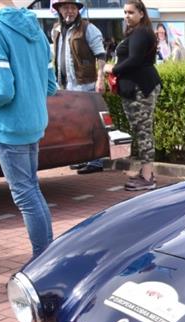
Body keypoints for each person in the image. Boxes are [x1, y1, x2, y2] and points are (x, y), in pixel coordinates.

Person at [0, 0, 57, 257]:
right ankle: (47, 255)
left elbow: (0, 91)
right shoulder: (35, 27)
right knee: (32, 190)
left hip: (10, 125)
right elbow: (51, 86)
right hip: (33, 122)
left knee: (25, 195)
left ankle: (42, 258)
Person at [111, 0, 161, 190]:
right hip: (137, 87)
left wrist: (112, 69)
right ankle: (147, 173)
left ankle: (147, 178)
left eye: (131, 12)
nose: (127, 16)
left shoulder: (141, 32)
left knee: (143, 130)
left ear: (141, 13)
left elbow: (135, 60)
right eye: (125, 12)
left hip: (142, 87)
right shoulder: (137, 32)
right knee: (141, 129)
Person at [51, 0, 106, 175]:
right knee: (75, 126)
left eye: (73, 8)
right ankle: (83, 158)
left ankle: (96, 161)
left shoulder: (88, 28)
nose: (70, 11)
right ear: (59, 10)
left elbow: (101, 55)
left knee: (91, 124)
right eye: (66, 7)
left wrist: (100, 79)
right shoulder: (56, 30)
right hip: (66, 86)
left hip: (85, 85)